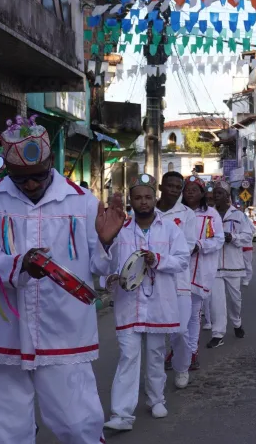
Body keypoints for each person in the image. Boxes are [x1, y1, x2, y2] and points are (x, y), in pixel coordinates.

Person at [0, 116, 118, 444]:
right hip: (3, 335)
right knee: (3, 439)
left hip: (65, 334)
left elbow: (100, 268)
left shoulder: (83, 201)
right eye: (22, 179)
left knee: (82, 427)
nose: (32, 184)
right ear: (8, 171)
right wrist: (21, 265)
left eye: (39, 175)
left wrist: (107, 241)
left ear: (51, 164)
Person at [96, 174, 189, 430]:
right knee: (128, 355)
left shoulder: (170, 229)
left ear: (154, 198)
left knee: (157, 354)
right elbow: (106, 263)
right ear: (131, 200)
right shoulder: (120, 230)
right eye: (138, 197)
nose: (143, 202)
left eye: (148, 197)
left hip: (160, 302)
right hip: (129, 304)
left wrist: (157, 259)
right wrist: (110, 279)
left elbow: (182, 260)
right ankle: (122, 414)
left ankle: (156, 399)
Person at [157, 171, 198, 389]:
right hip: (152, 282)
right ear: (161, 187)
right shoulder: (148, 210)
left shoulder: (187, 215)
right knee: (154, 335)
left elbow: (188, 247)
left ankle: (181, 368)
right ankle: (154, 379)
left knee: (180, 331)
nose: (174, 189)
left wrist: (159, 257)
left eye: (177, 187)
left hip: (180, 282)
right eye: (170, 185)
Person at [183, 176, 225, 353]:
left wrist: (199, 245)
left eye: (195, 189)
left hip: (200, 272)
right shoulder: (178, 212)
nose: (191, 192)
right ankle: (178, 350)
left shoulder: (211, 214)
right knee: (177, 316)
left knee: (193, 316)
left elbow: (218, 239)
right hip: (177, 272)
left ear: (202, 194)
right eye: (188, 189)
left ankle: (191, 352)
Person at [213, 180, 254, 340]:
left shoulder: (238, 215)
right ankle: (218, 333)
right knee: (216, 302)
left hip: (233, 265)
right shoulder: (209, 214)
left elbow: (248, 236)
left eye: (220, 193)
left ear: (227, 196)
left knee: (235, 300)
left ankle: (237, 323)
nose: (216, 196)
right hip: (214, 265)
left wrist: (233, 237)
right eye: (215, 193)